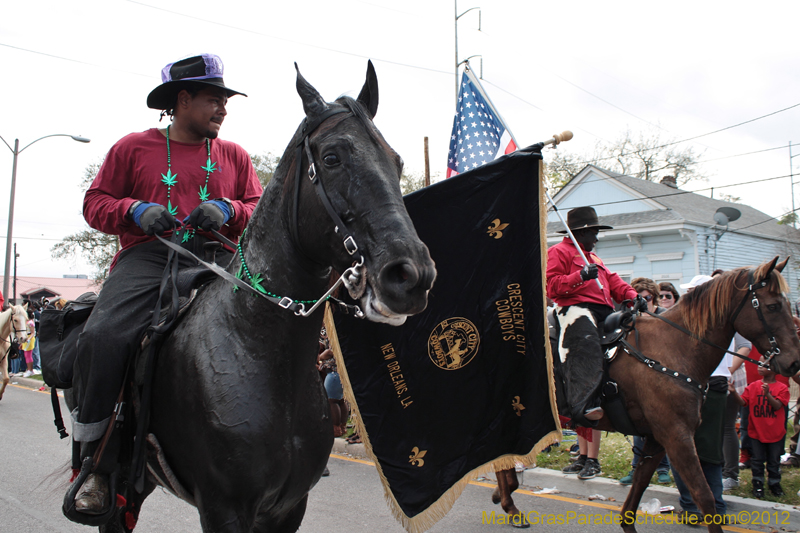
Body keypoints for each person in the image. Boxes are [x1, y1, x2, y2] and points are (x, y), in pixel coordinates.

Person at [70, 54, 262, 516]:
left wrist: (230, 211)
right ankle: (94, 463)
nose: (223, 109)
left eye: (225, 101)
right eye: (214, 100)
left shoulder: (234, 154)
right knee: (101, 337)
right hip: (148, 258)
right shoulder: (132, 147)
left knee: (284, 319)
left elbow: (257, 207)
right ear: (183, 100)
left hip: (220, 257)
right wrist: (134, 210)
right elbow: (95, 204)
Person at [547, 206, 640, 479]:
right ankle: (587, 441)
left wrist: (633, 296)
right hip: (573, 309)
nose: (596, 238)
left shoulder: (594, 257)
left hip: (602, 311)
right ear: (582, 232)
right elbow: (551, 286)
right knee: (585, 341)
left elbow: (614, 282)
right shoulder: (559, 252)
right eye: (594, 233)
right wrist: (580, 277)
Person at [670, 274, 739, 520]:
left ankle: (694, 506)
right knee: (709, 451)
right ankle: (713, 506)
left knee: (682, 448)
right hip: (715, 384)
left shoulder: (698, 322)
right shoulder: (722, 320)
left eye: (690, 293)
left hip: (697, 384)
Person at [619, 278, 671, 486]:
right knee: (639, 427)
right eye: (637, 299)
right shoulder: (632, 318)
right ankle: (636, 468)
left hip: (663, 379)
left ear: (653, 297)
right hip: (640, 380)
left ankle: (663, 469)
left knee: (662, 429)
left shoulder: (664, 317)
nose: (643, 302)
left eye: (646, 298)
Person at [729, 357, 790, 497]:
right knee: (757, 460)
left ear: (774, 369)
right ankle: (757, 484)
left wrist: (767, 394)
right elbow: (743, 402)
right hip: (756, 432)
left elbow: (777, 406)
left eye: (765, 365)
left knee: (774, 461)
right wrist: (733, 392)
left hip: (775, 433)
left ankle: (774, 484)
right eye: (759, 364)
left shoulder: (782, 388)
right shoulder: (752, 386)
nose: (759, 366)